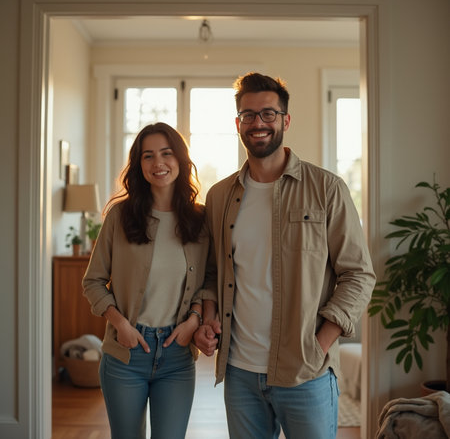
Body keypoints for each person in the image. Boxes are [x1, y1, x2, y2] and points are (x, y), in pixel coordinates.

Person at [194, 73, 376, 439]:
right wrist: (208, 320)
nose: (258, 123)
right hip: (240, 372)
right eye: (248, 115)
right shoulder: (218, 197)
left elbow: (358, 274)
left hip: (306, 371)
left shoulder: (326, 189)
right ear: (237, 123)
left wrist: (320, 343)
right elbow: (212, 273)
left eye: (268, 114)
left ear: (285, 121)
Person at [82, 122, 209, 439]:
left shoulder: (199, 218)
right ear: (139, 165)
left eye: (166, 154)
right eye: (148, 156)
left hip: (177, 355)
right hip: (126, 353)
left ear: (180, 159)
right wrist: (120, 324)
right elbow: (93, 281)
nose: (158, 164)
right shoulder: (120, 217)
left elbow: (211, 279)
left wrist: (194, 318)